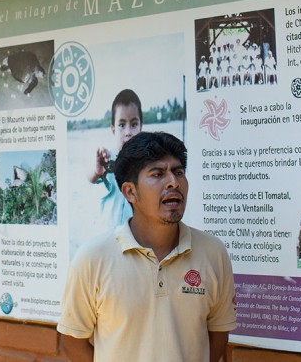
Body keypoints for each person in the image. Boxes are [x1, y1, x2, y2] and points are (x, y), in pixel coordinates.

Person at [59, 132, 237, 362]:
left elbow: (219, 332)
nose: (174, 182)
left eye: (179, 172)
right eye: (158, 174)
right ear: (130, 192)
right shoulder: (92, 258)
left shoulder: (213, 252)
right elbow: (72, 341)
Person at [87, 89, 142, 228]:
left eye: (134, 124)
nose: (128, 132)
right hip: (110, 232)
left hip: (135, 235)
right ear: (113, 129)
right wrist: (97, 170)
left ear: (141, 127)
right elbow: (90, 178)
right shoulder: (107, 157)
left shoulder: (146, 160)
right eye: (122, 125)